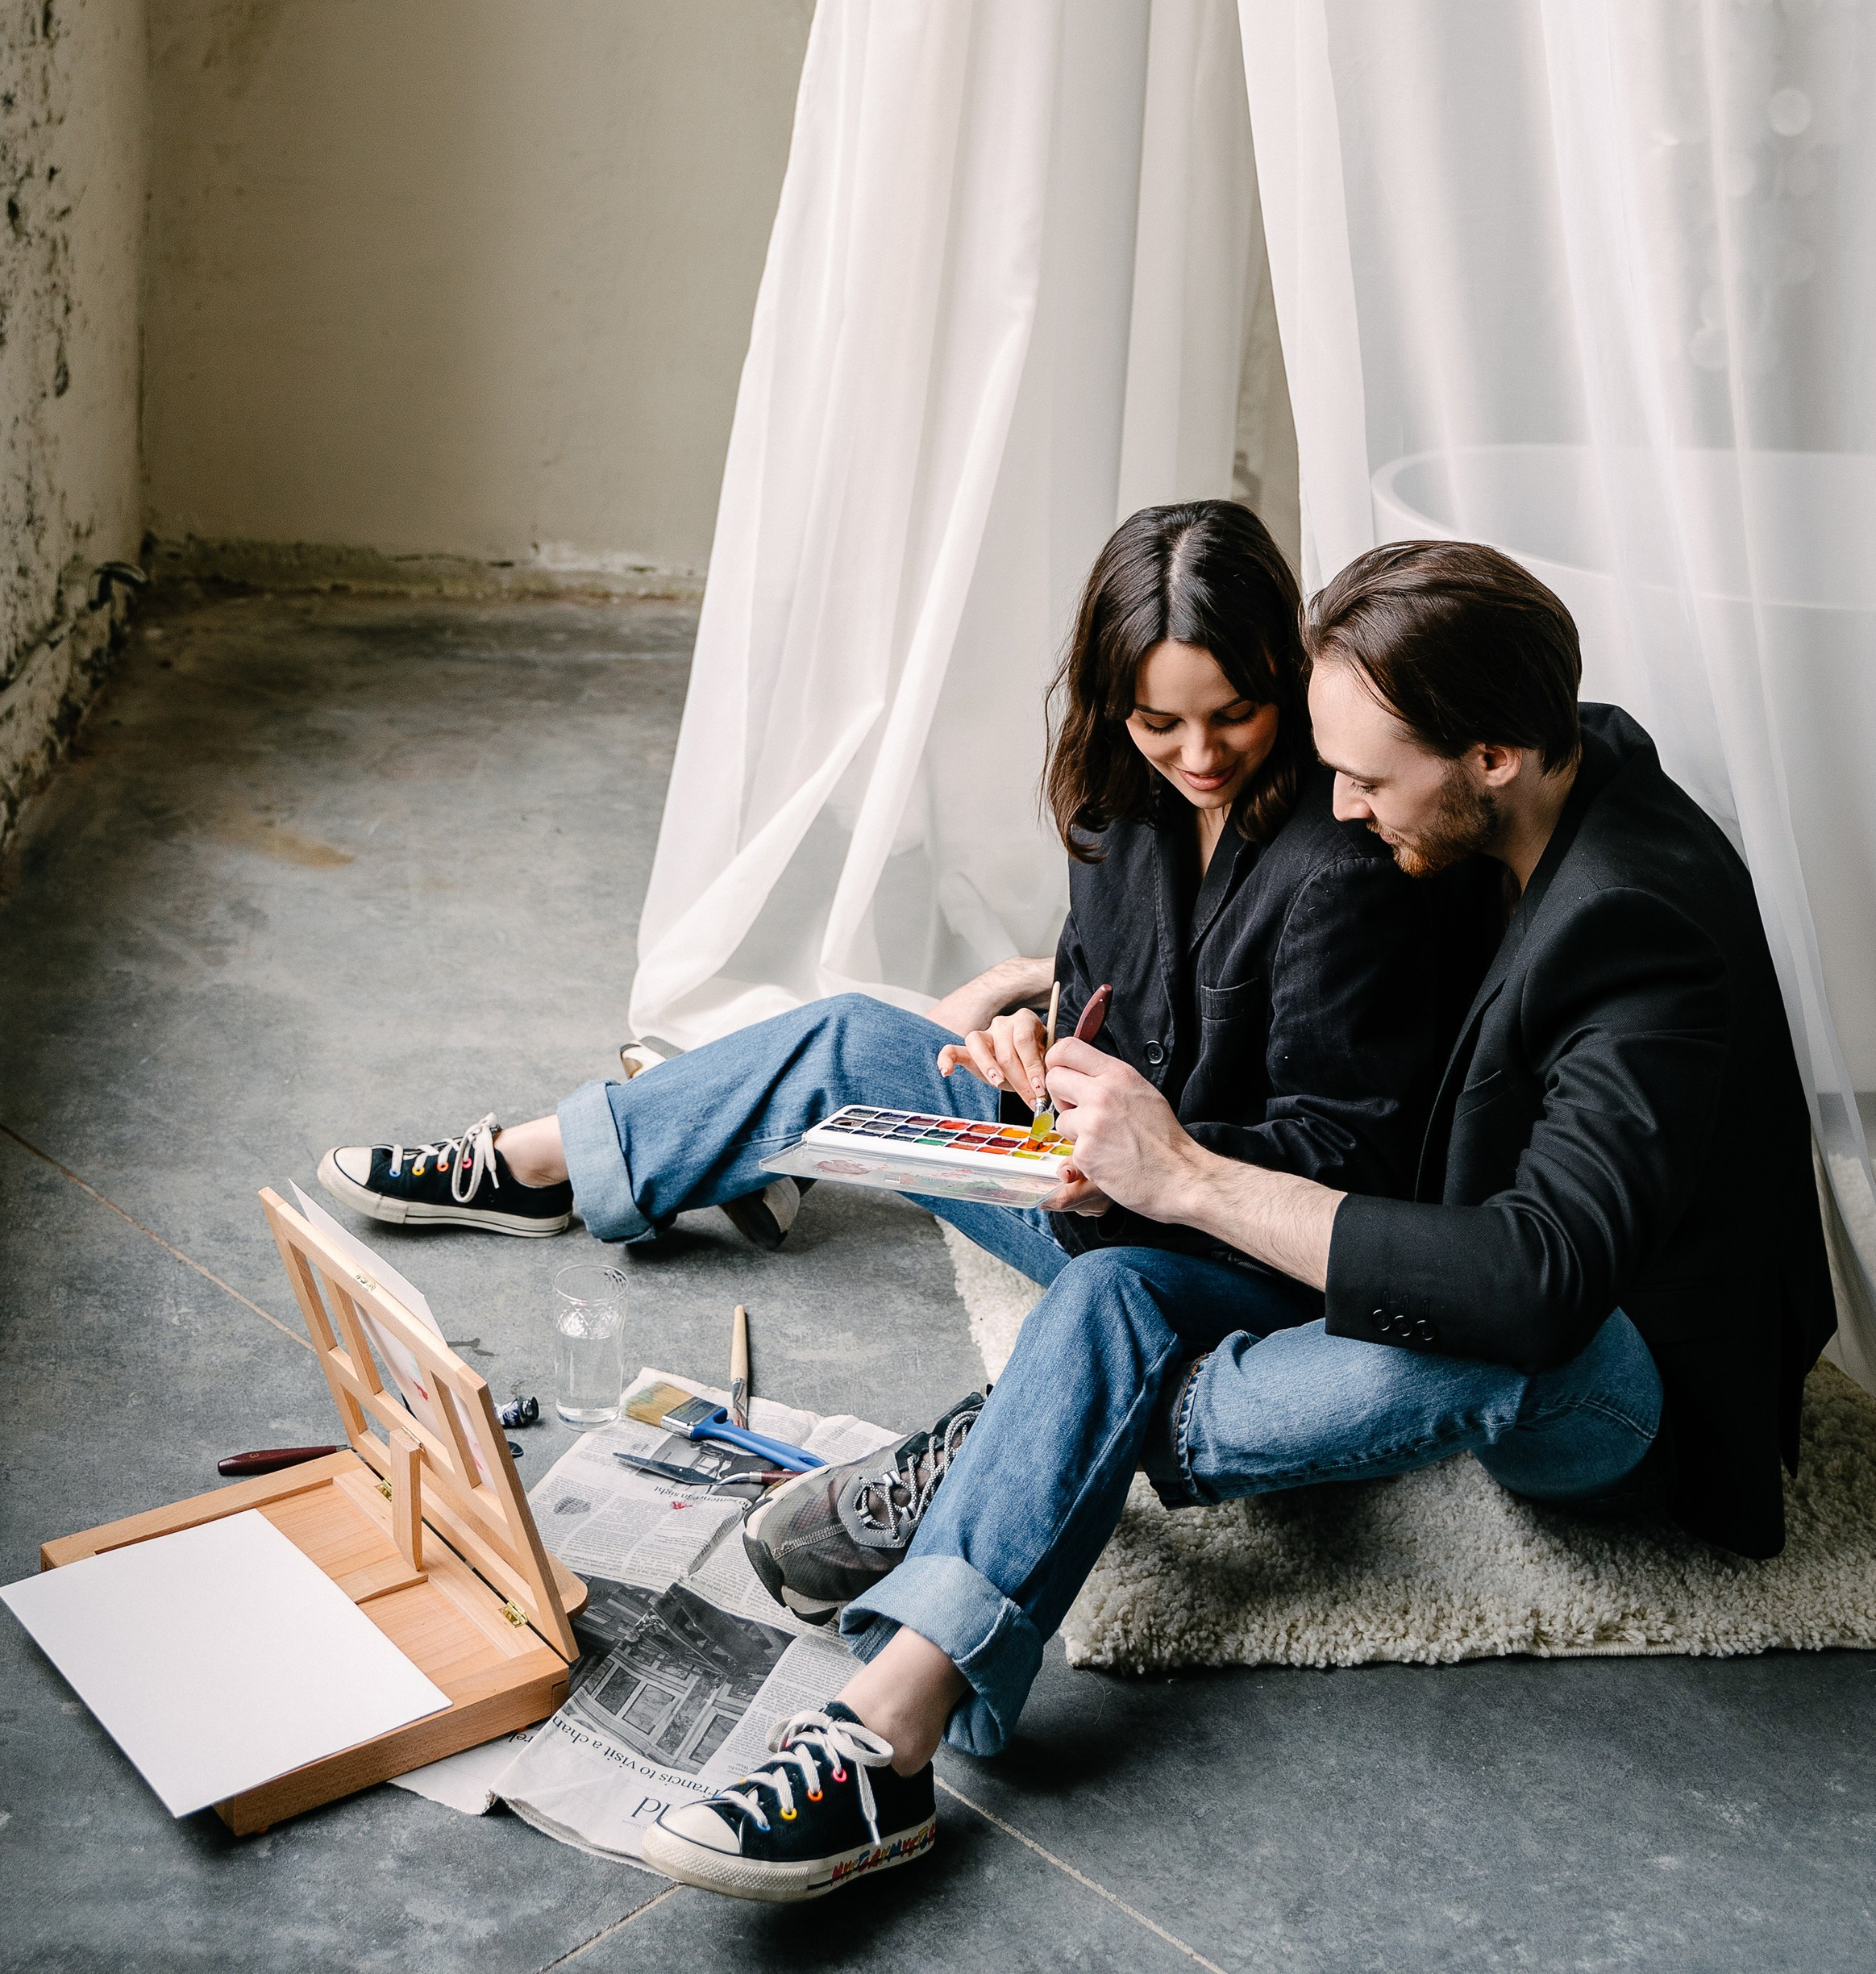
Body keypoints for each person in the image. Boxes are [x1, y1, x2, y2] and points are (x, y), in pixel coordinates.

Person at [636, 539, 1834, 1909]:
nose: (1337, 806)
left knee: (1455, 1325)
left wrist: (1190, 1179)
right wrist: (1049, 989)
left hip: (1620, 1386)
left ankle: (1023, 1437)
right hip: (1439, 1234)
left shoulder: (1635, 925)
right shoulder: (1542, 768)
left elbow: (1536, 1288)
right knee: (1111, 1300)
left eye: (1367, 781)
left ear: (1491, 753)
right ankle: (884, 1733)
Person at [315, 504, 1496, 1883]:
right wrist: (1036, 1039)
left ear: (1283, 683)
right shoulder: (1122, 804)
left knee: (1111, 1299)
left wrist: (1129, 1144)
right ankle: (545, 1166)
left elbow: (1336, 1160)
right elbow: (1112, 996)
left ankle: (889, 1743)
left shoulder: (1349, 865)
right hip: (1093, 1162)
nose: (1194, 754)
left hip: (1227, 1240)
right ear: (1110, 702)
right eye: (1155, 721)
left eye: (1229, 716)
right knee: (858, 1039)